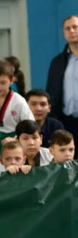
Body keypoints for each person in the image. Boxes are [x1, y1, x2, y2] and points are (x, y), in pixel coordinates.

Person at [46, 15, 78, 157]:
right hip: (66, 122)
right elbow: (51, 92)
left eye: (75, 27)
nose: (72, 31)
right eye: (67, 28)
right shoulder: (58, 62)